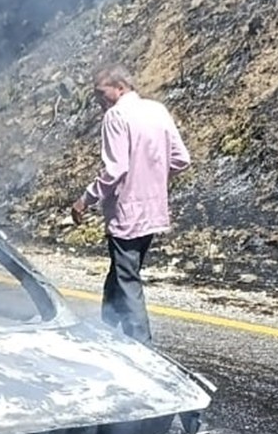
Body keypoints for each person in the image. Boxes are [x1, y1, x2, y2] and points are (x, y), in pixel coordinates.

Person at [71, 64, 191, 345]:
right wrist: (153, 176)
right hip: (154, 210)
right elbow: (181, 159)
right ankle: (106, 329)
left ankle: (141, 345)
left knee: (127, 279)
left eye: (101, 93)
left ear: (120, 87)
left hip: (126, 212)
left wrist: (85, 199)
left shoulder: (116, 116)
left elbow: (115, 170)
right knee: (122, 270)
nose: (98, 100)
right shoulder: (157, 110)